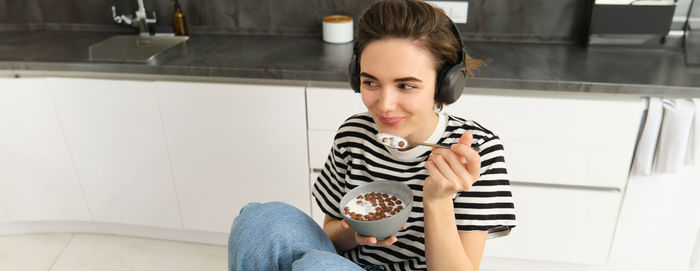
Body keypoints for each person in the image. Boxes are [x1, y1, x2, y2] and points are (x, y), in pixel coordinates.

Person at [228, 0, 516, 270]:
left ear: (445, 86)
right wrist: (354, 233)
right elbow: (331, 235)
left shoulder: (476, 151)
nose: (385, 105)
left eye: (406, 86)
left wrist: (438, 199)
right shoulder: (354, 134)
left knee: (316, 266)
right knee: (259, 219)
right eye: (371, 82)